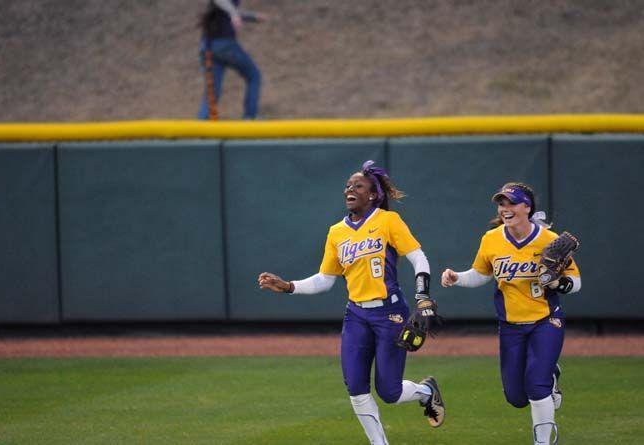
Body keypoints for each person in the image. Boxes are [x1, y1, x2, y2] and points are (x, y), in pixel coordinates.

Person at [258, 160, 445, 445]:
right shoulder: (337, 232)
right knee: (356, 387)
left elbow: (418, 257)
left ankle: (426, 392)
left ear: (372, 195)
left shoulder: (387, 221)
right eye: (348, 185)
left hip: (390, 313)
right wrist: (289, 287)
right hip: (356, 315)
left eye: (358, 185)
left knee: (390, 392)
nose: (350, 188)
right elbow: (325, 279)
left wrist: (422, 296)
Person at [440, 182, 581, 445]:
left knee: (536, 386)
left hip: (545, 320)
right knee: (516, 397)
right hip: (511, 325)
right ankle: (552, 376)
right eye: (502, 203)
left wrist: (558, 283)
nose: (505, 208)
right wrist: (456, 277)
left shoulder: (550, 241)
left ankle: (543, 440)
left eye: (512, 203)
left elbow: (576, 281)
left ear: (527, 207)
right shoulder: (491, 238)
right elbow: (481, 274)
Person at [197, 0, 265, 120]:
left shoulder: (227, 6)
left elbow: (227, 9)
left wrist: (252, 17)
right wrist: (233, 13)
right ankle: (249, 117)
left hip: (207, 47)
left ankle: (203, 123)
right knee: (254, 76)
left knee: (212, 91)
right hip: (224, 45)